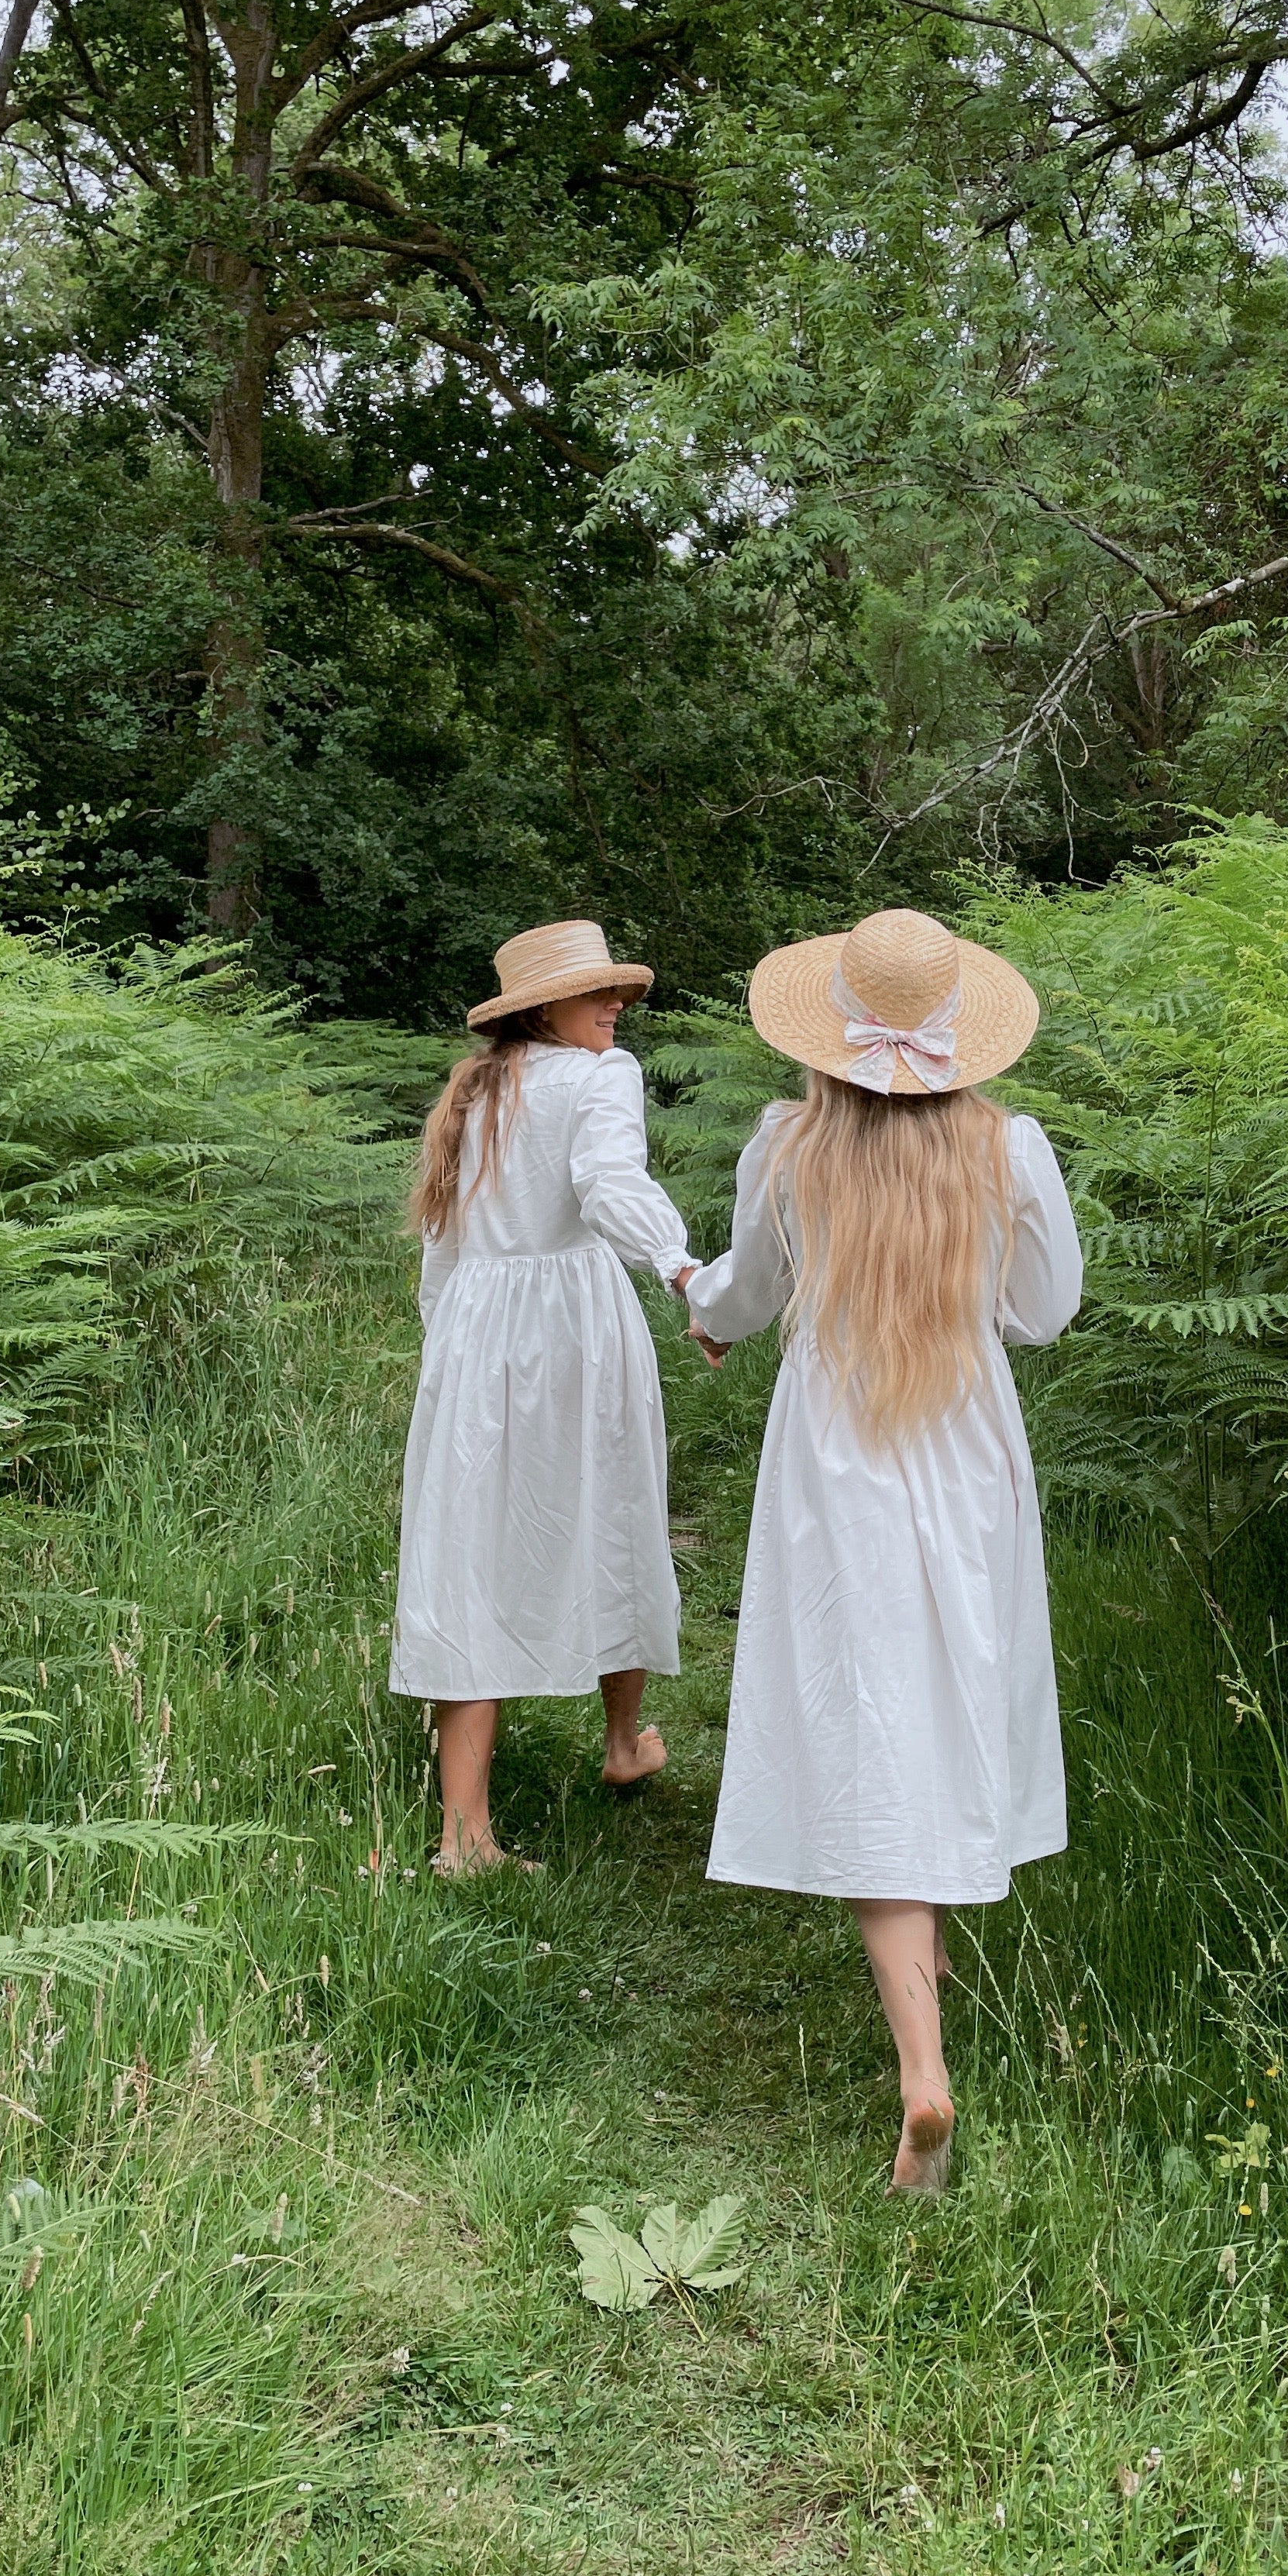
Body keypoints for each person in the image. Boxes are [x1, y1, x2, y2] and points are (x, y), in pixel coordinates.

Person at [684, 908, 1082, 2191]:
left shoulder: (785, 1145)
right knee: (953, 1687)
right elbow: (1043, 1311)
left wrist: (707, 1313)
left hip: (835, 1454)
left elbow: (742, 1295)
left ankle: (920, 2070)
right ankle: (933, 1983)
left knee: (868, 1727)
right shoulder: (1007, 1147)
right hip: (962, 1442)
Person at [391, 919, 697, 1872]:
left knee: (470, 1546)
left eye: (620, 993)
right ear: (539, 1008)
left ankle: (465, 1833)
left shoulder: (475, 1089)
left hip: (480, 1328)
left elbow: (443, 1247)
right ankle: (618, 1745)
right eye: (596, 993)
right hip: (573, 1323)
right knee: (612, 1511)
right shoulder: (604, 1076)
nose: (616, 1006)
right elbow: (607, 1183)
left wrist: (446, 1344)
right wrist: (683, 1268)